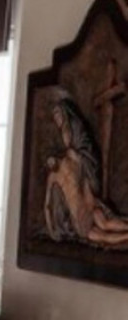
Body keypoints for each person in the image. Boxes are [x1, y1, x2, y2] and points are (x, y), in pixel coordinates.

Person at [44, 94, 128, 246]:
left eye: (58, 113)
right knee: (105, 229)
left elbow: (81, 150)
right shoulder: (58, 173)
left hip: (84, 211)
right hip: (86, 210)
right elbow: (48, 206)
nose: (56, 118)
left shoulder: (66, 163)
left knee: (104, 231)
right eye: (54, 115)